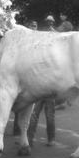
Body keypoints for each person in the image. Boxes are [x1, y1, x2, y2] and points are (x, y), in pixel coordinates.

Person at [27, 15, 57, 147]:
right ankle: (30, 139)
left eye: (51, 22)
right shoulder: (44, 40)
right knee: (37, 114)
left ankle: (44, 139)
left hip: (46, 85)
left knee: (42, 115)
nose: (49, 24)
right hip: (43, 85)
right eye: (48, 22)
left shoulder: (45, 40)